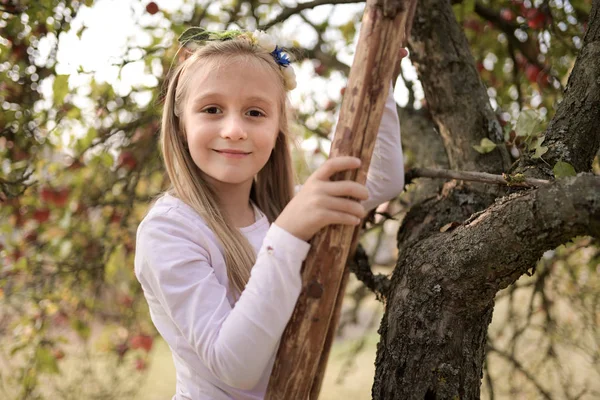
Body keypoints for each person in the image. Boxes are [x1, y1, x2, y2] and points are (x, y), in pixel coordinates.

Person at [134, 27, 406, 400]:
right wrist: (289, 234)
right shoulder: (169, 230)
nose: (233, 130)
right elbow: (234, 365)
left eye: (255, 112)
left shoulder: (282, 210)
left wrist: (382, 88)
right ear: (181, 125)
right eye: (212, 109)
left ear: (278, 126)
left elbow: (383, 180)